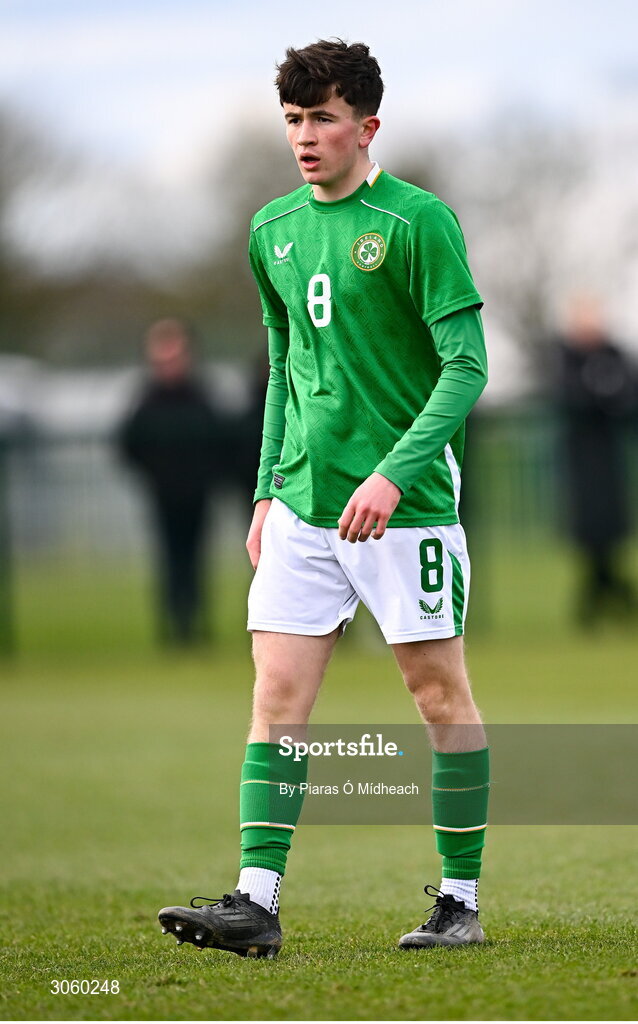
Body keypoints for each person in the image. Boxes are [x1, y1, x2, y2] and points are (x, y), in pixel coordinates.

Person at [159, 39, 489, 957]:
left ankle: (457, 901)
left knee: (437, 697)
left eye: (325, 119)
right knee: (277, 702)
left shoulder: (419, 223)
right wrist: (267, 490)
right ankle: (254, 904)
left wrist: (393, 472)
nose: (307, 137)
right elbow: (285, 374)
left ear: (367, 126)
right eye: (296, 120)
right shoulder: (271, 231)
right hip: (302, 511)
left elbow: (468, 368)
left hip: (406, 507)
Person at [118, 318, 222, 646]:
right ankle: (174, 629)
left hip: (198, 494)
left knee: (197, 560)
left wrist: (208, 476)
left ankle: (196, 624)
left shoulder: (201, 396)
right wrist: (154, 476)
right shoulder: (145, 401)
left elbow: (221, 441)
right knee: (170, 561)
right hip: (163, 495)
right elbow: (128, 447)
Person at [556, 296, 638, 625]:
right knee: (590, 532)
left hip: (611, 461)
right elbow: (572, 401)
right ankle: (607, 597)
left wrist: (611, 394)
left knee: (612, 531)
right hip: (581, 463)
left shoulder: (615, 357)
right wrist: (600, 394)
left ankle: (602, 597)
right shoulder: (567, 361)